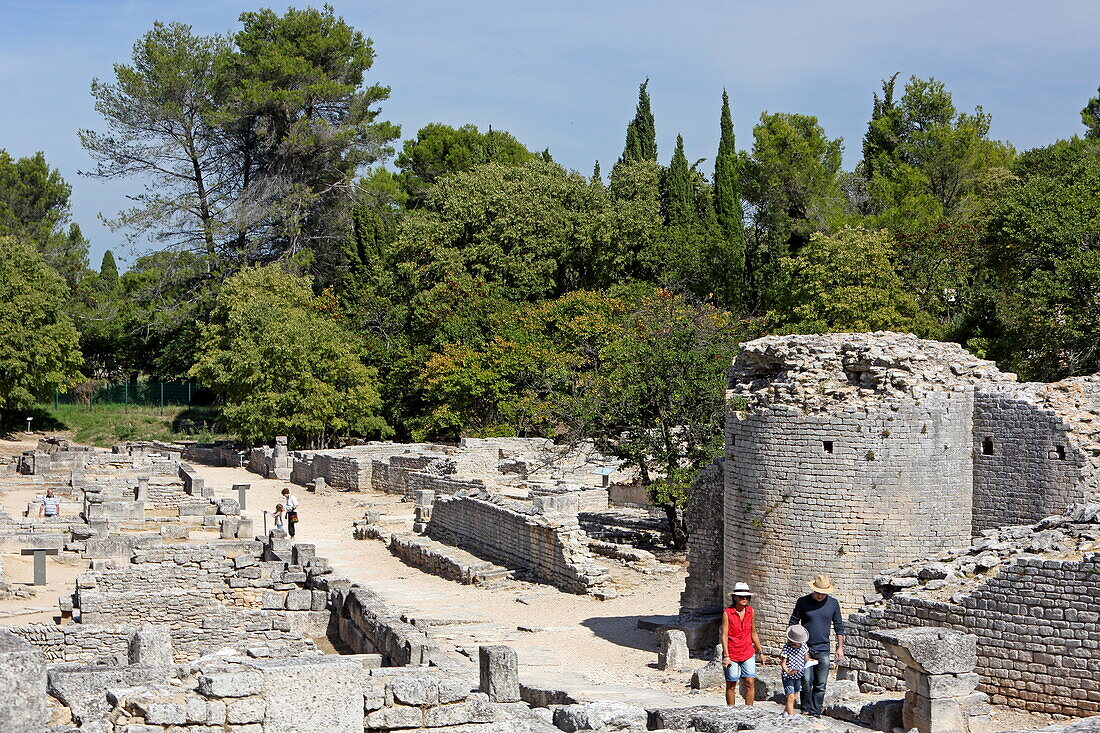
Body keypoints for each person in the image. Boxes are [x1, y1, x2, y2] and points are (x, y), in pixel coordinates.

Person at [789, 574, 845, 717]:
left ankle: (816, 711)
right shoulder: (802, 602)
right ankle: (806, 708)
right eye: (818, 592)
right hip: (805, 649)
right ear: (813, 590)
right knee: (806, 680)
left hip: (823, 649)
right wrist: (793, 642)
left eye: (823, 593)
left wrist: (840, 648)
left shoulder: (833, 604)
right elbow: (793, 622)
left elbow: (839, 626)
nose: (821, 596)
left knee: (820, 683)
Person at [720, 582, 766, 706]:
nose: (745, 599)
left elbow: (753, 632)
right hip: (732, 652)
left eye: (747, 597)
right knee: (731, 684)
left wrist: (760, 651)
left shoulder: (751, 612)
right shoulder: (727, 613)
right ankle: (731, 710)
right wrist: (726, 655)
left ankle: (749, 710)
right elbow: (724, 635)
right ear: (735, 597)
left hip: (747, 651)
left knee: (750, 682)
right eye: (742, 597)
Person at [779, 625, 810, 715]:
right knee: (790, 696)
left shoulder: (803, 647)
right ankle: (791, 717)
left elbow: (806, 658)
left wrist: (811, 661)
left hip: (798, 675)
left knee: (795, 696)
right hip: (788, 676)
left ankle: (785, 712)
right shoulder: (787, 648)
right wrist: (787, 671)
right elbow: (783, 663)